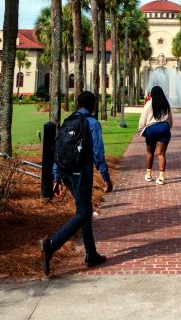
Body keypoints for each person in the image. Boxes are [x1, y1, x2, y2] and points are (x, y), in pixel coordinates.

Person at [40, 91, 112, 275]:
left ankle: (91, 254)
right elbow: (98, 153)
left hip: (66, 172)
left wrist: (56, 176)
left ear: (78, 104)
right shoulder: (92, 123)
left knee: (84, 210)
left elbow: (59, 149)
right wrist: (105, 177)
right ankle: (51, 245)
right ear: (92, 105)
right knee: (83, 212)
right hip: (81, 174)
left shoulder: (69, 120)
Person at [137, 85, 173, 184]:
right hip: (164, 128)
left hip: (151, 129)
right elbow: (170, 120)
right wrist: (167, 128)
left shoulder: (149, 104)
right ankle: (161, 177)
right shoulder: (166, 104)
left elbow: (143, 119)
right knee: (161, 154)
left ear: (151, 94)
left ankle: (148, 174)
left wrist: (141, 129)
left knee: (150, 152)